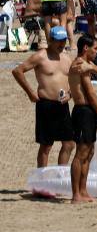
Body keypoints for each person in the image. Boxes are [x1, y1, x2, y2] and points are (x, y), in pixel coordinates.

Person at [12, 26, 75, 167]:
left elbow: (74, 79)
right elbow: (18, 71)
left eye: (64, 41)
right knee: (46, 146)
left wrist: (70, 94)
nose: (61, 44)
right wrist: (30, 92)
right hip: (46, 105)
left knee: (69, 143)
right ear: (50, 40)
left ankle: (60, 176)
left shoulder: (66, 58)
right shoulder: (40, 56)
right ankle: (43, 181)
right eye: (58, 41)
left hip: (63, 105)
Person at [68, 35, 97, 203]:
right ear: (85, 48)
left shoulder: (86, 65)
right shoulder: (79, 65)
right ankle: (75, 194)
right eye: (95, 48)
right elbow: (90, 94)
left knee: (89, 152)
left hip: (87, 111)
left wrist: (91, 67)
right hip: (83, 111)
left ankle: (83, 190)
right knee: (81, 153)